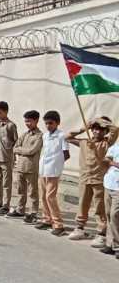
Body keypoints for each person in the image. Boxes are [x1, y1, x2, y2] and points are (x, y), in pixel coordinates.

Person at [66, 117, 117, 246]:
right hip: (84, 178)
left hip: (99, 180)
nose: (96, 131)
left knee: (100, 208)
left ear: (105, 131)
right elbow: (67, 137)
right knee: (82, 204)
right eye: (94, 128)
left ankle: (101, 233)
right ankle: (80, 228)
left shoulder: (107, 143)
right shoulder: (85, 142)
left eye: (100, 129)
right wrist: (85, 127)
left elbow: (115, 129)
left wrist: (101, 121)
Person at [35, 110, 70, 236]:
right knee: (43, 196)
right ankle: (47, 219)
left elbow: (66, 154)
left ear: (57, 123)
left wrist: (57, 163)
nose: (48, 126)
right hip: (43, 169)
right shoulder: (45, 135)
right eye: (46, 123)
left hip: (53, 171)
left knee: (51, 197)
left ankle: (58, 224)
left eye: (51, 123)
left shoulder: (62, 136)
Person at [9, 110, 43, 222]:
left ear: (36, 120)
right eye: (26, 121)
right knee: (20, 190)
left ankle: (33, 212)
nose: (27, 123)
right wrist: (22, 150)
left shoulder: (39, 136)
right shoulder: (25, 134)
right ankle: (20, 210)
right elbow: (14, 148)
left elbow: (32, 151)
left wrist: (20, 150)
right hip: (20, 167)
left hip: (31, 168)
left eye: (29, 121)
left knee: (32, 192)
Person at [0, 101, 18, 215]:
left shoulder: (11, 125)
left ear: (6, 112)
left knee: (6, 183)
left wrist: (14, 157)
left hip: (6, 159)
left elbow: (16, 142)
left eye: (0, 112)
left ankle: (6, 205)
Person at [99, 137, 119, 258]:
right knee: (107, 214)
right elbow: (105, 160)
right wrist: (109, 161)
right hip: (109, 184)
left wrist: (111, 162)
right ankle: (109, 244)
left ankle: (117, 245)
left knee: (114, 215)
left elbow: (110, 162)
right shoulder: (114, 147)